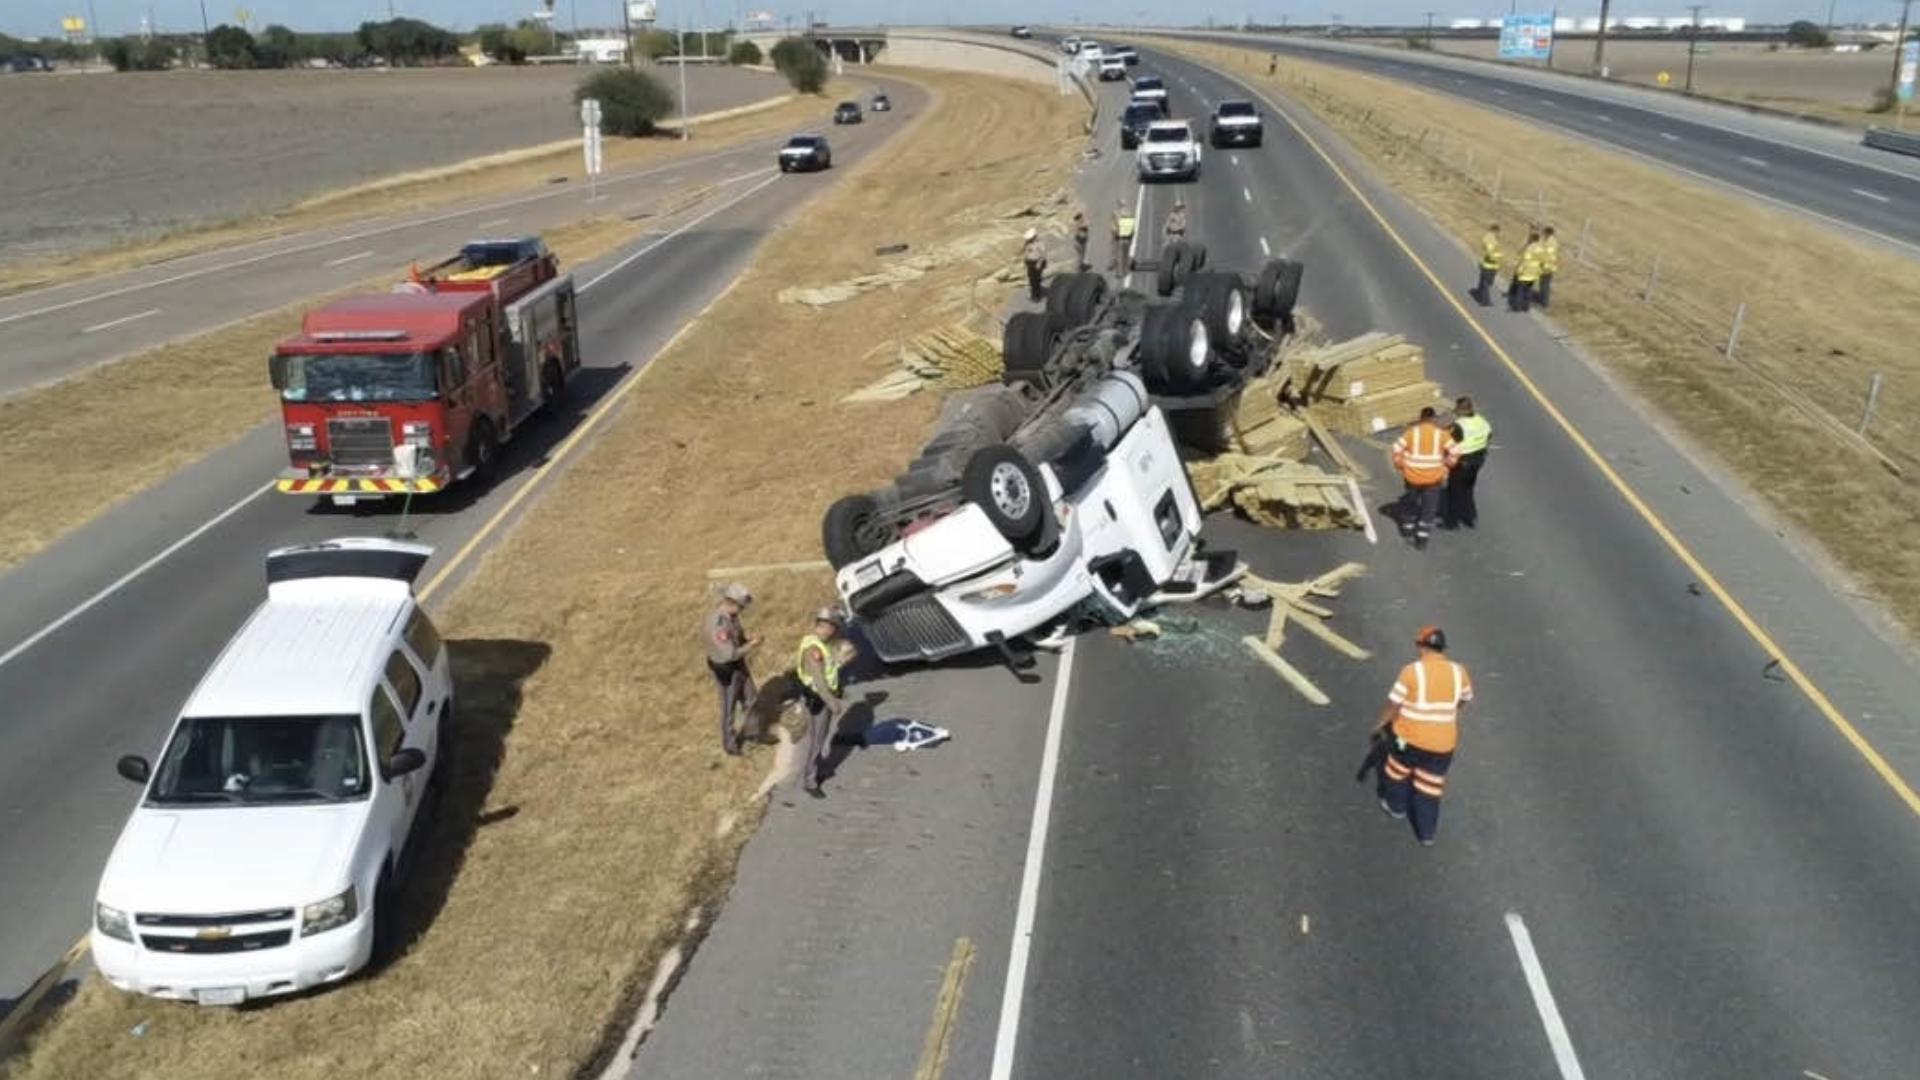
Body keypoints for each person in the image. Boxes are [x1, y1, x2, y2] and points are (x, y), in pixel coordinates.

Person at [1375, 625, 1474, 846]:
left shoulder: (1412, 671)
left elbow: (1394, 703)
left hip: (1407, 740)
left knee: (1395, 772)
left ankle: (1397, 807)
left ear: (1421, 646)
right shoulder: (1459, 672)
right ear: (1442, 649)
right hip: (1443, 745)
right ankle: (1426, 834)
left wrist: (1381, 724)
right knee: (1430, 787)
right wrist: (1453, 712)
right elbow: (1465, 698)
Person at [794, 608, 851, 798]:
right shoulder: (814, 649)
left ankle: (815, 769)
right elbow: (819, 681)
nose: (830, 631)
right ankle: (810, 780)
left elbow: (830, 667)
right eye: (828, 627)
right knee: (817, 741)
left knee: (818, 738)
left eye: (832, 628)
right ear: (821, 626)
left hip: (818, 697)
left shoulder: (819, 643)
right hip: (819, 699)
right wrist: (832, 702)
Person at [703, 583, 760, 755]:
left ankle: (752, 733)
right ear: (731, 602)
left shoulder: (731, 617)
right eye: (741, 607)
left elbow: (736, 637)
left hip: (738, 663)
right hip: (726, 669)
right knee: (729, 706)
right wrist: (751, 646)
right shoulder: (718, 623)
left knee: (751, 698)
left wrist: (746, 639)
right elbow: (729, 654)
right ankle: (730, 744)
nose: (742, 611)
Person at [1391, 406, 1454, 549]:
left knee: (1410, 502)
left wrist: (1401, 465)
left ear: (1421, 418)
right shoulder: (1441, 434)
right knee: (1429, 508)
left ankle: (1407, 530)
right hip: (1433, 478)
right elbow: (1455, 451)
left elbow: (1396, 449)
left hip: (1412, 477)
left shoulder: (1411, 433)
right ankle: (1421, 540)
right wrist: (1446, 465)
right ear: (1433, 418)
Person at [1445, 396, 1492, 529]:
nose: (1456, 412)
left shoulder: (1459, 425)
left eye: (1457, 409)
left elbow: (1449, 442)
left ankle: (1452, 522)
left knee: (1454, 491)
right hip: (1478, 461)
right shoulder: (1482, 422)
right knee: (1468, 489)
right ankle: (1471, 518)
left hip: (1462, 463)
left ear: (1461, 409)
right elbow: (1488, 438)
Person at [1507, 230, 1541, 312]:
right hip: (1534, 273)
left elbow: (1525, 260)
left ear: (1532, 239)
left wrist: (1519, 271)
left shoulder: (1530, 248)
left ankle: (1517, 307)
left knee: (1520, 290)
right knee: (1528, 290)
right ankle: (1526, 307)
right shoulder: (1540, 249)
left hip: (1526, 272)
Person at [1470, 223, 1502, 307]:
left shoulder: (1488, 237)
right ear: (1495, 230)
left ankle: (1479, 293)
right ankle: (1485, 301)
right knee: (1487, 283)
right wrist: (1499, 256)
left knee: (1483, 281)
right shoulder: (1491, 240)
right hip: (1490, 265)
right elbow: (1491, 253)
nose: (1499, 234)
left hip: (1487, 264)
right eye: (1498, 232)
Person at [1109, 198, 1137, 274]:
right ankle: (1126, 266)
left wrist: (1114, 232)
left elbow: (1113, 225)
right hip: (1127, 235)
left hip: (1118, 235)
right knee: (1125, 252)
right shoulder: (1129, 213)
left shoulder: (1115, 213)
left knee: (1118, 252)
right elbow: (1132, 225)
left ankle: (1119, 270)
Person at [1536, 225, 1560, 309]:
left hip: (1547, 267)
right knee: (1543, 284)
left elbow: (1548, 255)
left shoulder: (1550, 243)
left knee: (1545, 285)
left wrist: (1542, 262)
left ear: (1547, 233)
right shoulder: (1551, 241)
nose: (1543, 234)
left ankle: (1544, 303)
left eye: (1544, 233)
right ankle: (1542, 300)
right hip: (1548, 266)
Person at [1021, 227, 1047, 302]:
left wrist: (1039, 263)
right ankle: (1034, 292)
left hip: (1037, 263)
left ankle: (1037, 295)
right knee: (1031, 279)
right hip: (1030, 263)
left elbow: (1043, 254)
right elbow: (1025, 251)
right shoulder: (1028, 243)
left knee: (1036, 279)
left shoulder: (1039, 243)